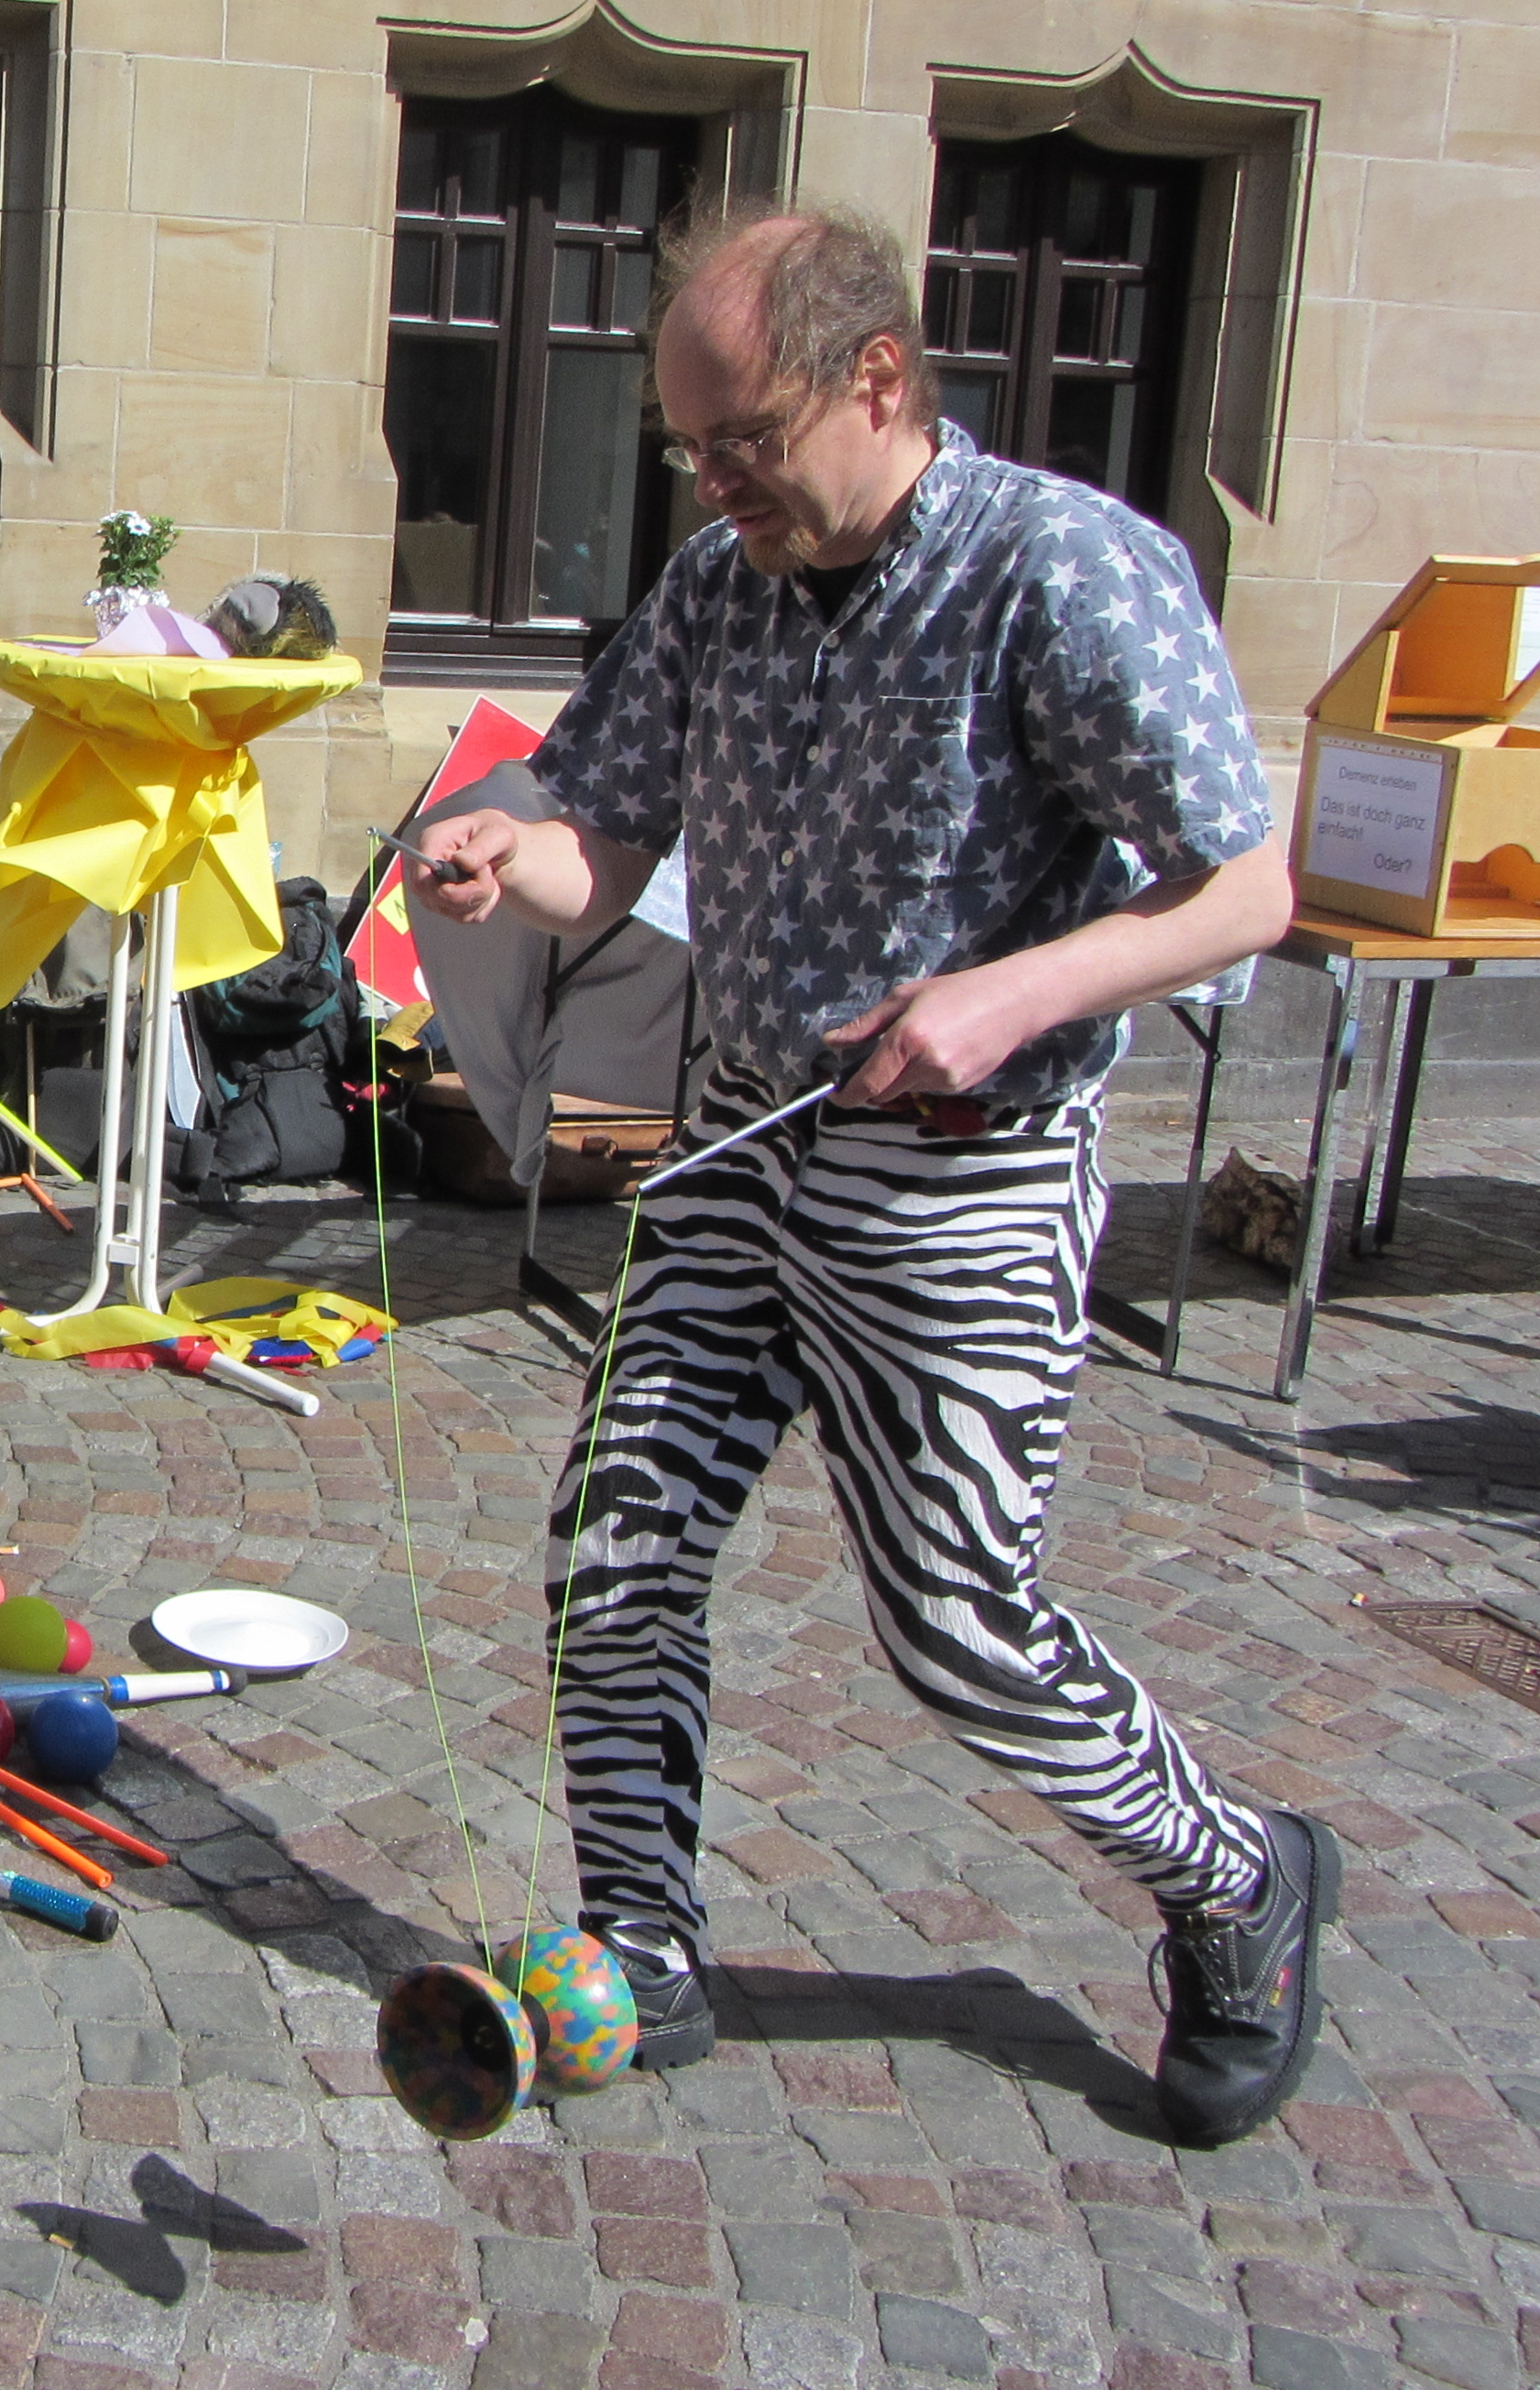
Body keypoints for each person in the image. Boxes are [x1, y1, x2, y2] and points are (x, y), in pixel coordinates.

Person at [407, 202, 1322, 2149]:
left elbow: (1243, 887)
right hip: (741, 1145)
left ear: (878, 380)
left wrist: (1009, 993)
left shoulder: (1062, 568)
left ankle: (1236, 1875)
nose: (713, 485)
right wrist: (504, 857)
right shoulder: (719, 585)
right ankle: (641, 1942)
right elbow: (604, 837)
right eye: (689, 450)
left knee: (958, 1628)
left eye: (741, 442)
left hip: (960, 1181)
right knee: (616, 1551)